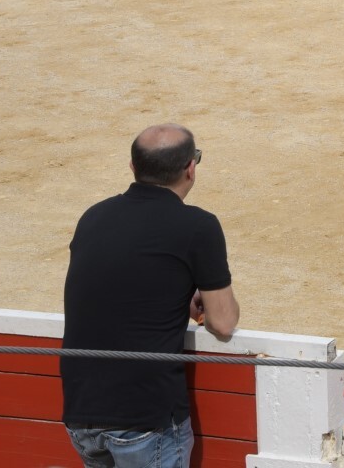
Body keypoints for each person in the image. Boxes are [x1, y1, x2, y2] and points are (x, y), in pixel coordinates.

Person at [63, 125, 239, 468]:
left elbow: (112, 287)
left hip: (81, 415)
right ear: (191, 168)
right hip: (144, 418)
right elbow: (223, 323)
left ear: (133, 166)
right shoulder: (198, 226)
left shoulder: (93, 216)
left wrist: (174, 296)